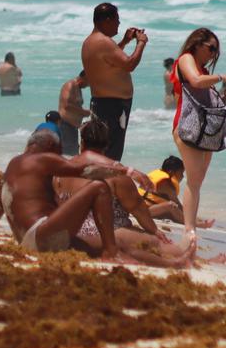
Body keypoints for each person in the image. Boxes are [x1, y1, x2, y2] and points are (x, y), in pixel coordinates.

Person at [52, 120, 196, 268]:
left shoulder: (64, 170)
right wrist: (154, 230)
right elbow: (139, 210)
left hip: (72, 233)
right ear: (107, 145)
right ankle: (192, 260)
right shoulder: (115, 172)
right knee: (156, 243)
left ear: (82, 142)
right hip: (109, 231)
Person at [0, 130, 126, 259]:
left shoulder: (13, 167)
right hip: (42, 235)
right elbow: (87, 170)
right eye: (58, 152)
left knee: (108, 247)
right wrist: (127, 171)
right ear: (50, 145)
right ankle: (111, 252)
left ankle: (116, 251)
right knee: (99, 187)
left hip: (29, 244)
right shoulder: (42, 158)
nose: (59, 157)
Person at [169, 28, 224, 241]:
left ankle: (191, 226)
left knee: (197, 181)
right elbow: (195, 81)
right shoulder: (186, 59)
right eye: (211, 48)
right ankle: (189, 230)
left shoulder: (201, 67)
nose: (213, 54)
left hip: (204, 131)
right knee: (193, 180)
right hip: (187, 128)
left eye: (216, 51)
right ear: (197, 43)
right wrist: (221, 76)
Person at [81, 2, 147, 161]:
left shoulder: (91, 41)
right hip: (113, 106)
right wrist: (141, 43)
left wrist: (124, 41)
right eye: (117, 20)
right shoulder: (103, 42)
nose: (119, 23)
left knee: (101, 150)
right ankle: (107, 184)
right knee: (111, 154)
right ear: (107, 21)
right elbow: (130, 64)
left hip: (102, 103)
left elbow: (111, 60)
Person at [139, 155, 214, 227]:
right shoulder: (165, 183)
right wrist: (193, 218)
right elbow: (178, 206)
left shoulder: (156, 175)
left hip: (140, 208)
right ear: (171, 172)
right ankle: (195, 224)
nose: (182, 176)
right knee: (171, 206)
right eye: (181, 172)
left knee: (171, 213)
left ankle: (197, 221)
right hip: (143, 211)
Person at [58, 70, 91, 156]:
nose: (89, 85)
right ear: (85, 77)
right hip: (65, 125)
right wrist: (83, 112)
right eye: (89, 82)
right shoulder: (70, 85)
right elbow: (66, 104)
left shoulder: (78, 88)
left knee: (73, 153)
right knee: (68, 154)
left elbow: (74, 105)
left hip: (72, 127)